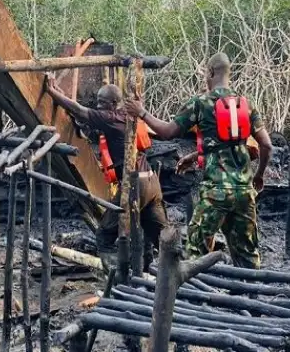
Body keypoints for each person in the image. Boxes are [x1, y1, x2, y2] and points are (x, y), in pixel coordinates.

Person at [125, 52, 273, 269]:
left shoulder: (201, 104)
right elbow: (265, 145)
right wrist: (258, 175)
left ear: (210, 72)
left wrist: (142, 112)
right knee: (248, 254)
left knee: (196, 251)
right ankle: (250, 298)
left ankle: (199, 299)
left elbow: (167, 132)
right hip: (243, 191)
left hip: (216, 192)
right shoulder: (246, 105)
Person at [45, 74, 167, 271]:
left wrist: (51, 92)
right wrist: (60, 94)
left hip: (136, 184)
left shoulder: (112, 117)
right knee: (160, 236)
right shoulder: (127, 116)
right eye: (97, 102)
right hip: (152, 182)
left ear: (113, 103)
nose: (99, 106)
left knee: (104, 235)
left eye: (102, 103)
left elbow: (80, 111)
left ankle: (116, 276)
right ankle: (155, 273)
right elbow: (79, 111)